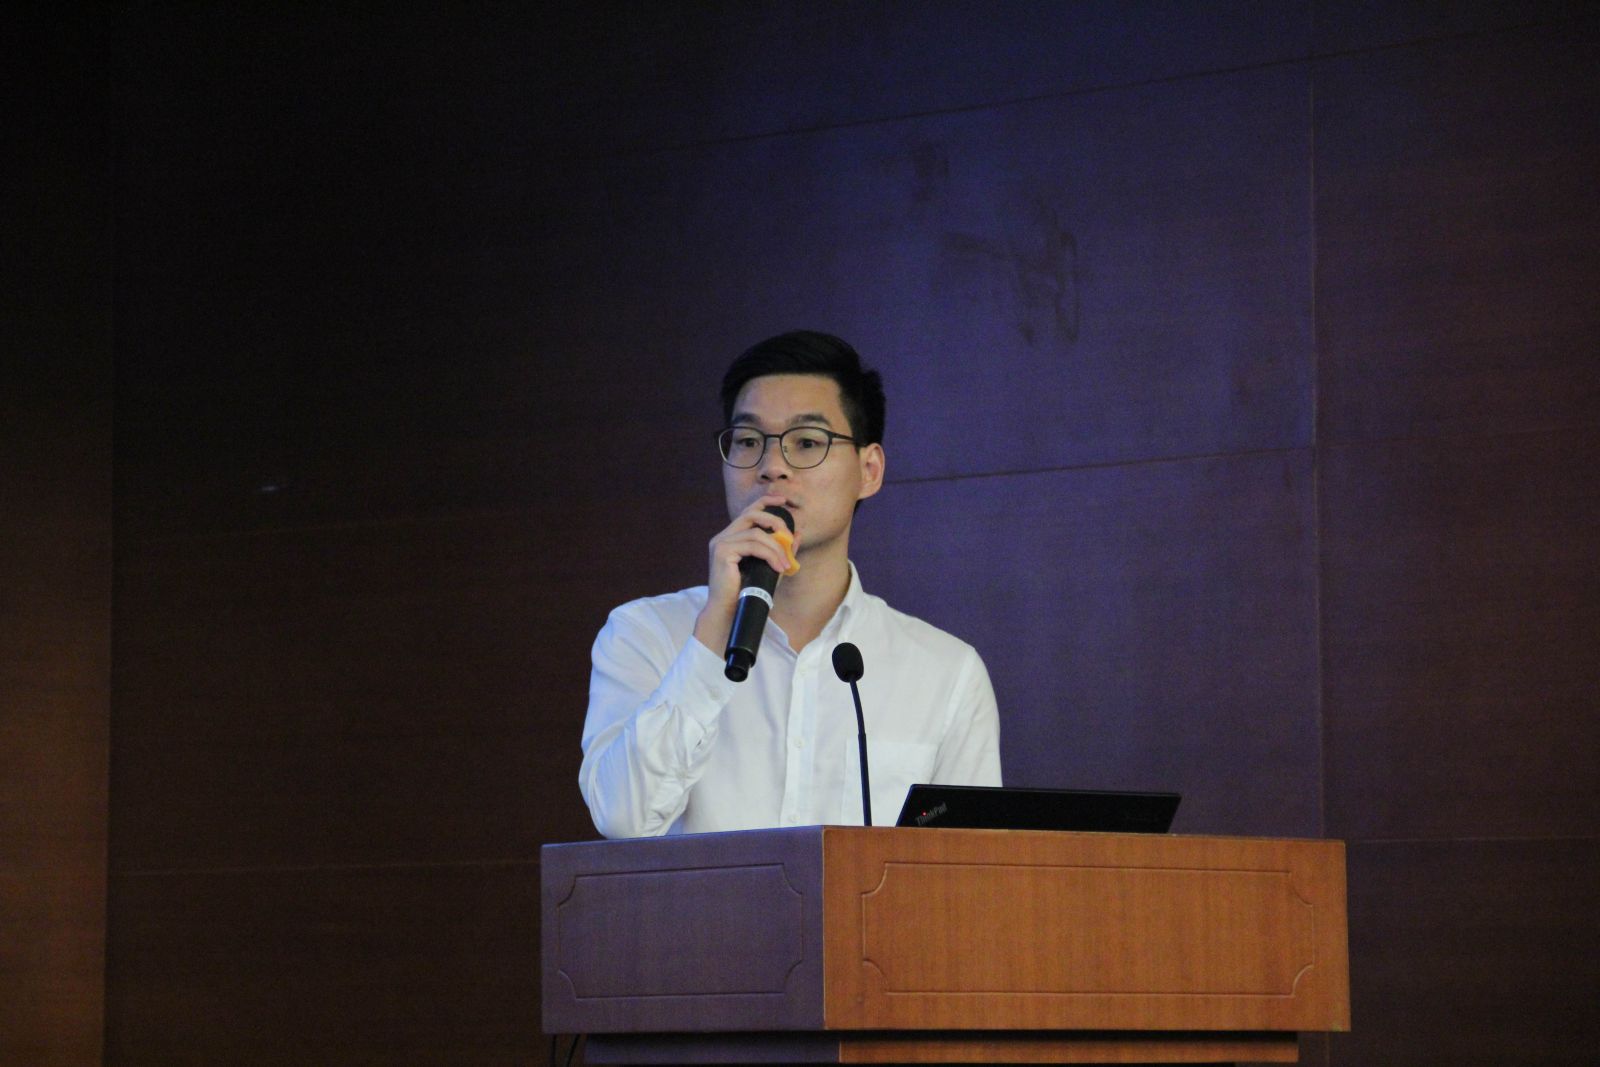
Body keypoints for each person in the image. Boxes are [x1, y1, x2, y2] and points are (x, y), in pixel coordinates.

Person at [579, 330, 1001, 838]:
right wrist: (712, 635)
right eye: (748, 441)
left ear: (868, 470)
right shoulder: (645, 634)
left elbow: (967, 869)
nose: (772, 468)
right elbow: (622, 821)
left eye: (807, 443)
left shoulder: (946, 672)